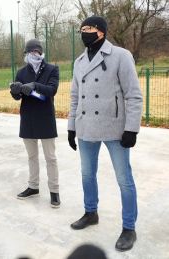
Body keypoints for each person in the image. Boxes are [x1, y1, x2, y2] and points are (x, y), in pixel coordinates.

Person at [68, 16, 143, 251]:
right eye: (81, 29)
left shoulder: (120, 56)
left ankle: (129, 227)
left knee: (124, 180)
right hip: (86, 127)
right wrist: (71, 127)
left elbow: (133, 95)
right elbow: (74, 97)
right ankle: (91, 212)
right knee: (87, 175)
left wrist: (131, 128)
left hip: (115, 128)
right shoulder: (79, 61)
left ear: (100, 31)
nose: (83, 32)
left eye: (87, 28)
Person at [10, 39, 60, 207]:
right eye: (30, 52)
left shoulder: (52, 69)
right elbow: (17, 97)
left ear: (41, 52)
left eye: (36, 52)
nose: (33, 55)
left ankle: (54, 191)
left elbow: (51, 90)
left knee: (50, 157)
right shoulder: (22, 72)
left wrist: (34, 86)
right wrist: (15, 90)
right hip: (28, 119)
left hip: (45, 118)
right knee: (32, 156)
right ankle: (33, 187)